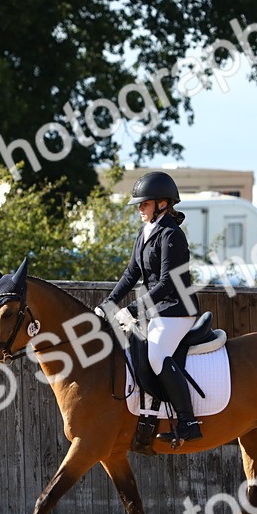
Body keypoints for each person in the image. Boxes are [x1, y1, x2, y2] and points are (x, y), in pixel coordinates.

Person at [96, 171, 202, 442]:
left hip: (178, 309)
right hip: (156, 309)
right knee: (130, 350)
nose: (140, 209)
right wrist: (107, 305)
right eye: (140, 205)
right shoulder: (145, 233)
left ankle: (188, 422)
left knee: (156, 356)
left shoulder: (172, 235)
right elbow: (131, 274)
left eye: (144, 204)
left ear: (162, 203)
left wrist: (132, 310)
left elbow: (167, 283)